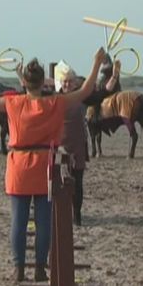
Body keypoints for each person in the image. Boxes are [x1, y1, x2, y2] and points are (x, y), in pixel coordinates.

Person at [0, 47, 107, 283]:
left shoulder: (13, 103)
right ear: (42, 80)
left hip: (19, 166)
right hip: (45, 166)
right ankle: (40, 269)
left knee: (19, 220)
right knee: (44, 220)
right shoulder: (54, 103)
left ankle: (19, 269)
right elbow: (86, 90)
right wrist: (96, 63)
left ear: (24, 81)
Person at [57, 67, 88, 226]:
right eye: (64, 81)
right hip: (59, 146)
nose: (67, 84)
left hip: (77, 144)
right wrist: (21, 75)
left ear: (75, 83)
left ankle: (76, 215)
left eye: (70, 81)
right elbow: (31, 93)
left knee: (77, 182)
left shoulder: (81, 97)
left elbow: (104, 91)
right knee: (59, 182)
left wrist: (115, 76)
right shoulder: (55, 98)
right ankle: (62, 214)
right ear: (61, 83)